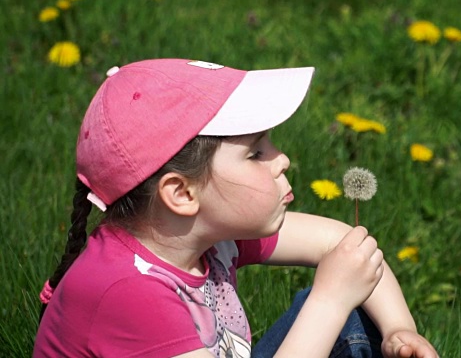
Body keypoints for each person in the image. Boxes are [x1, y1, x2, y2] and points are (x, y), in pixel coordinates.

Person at [33, 58, 439, 358]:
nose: (282, 160)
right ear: (182, 194)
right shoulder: (128, 292)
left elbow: (342, 245)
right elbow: (334, 288)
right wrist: (328, 300)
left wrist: (399, 329)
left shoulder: (199, 234)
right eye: (256, 152)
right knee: (334, 305)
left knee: (355, 313)